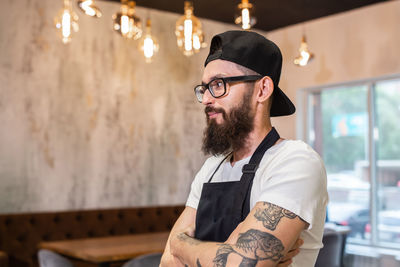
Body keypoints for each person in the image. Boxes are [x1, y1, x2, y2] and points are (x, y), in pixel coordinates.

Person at [160, 30, 328, 267]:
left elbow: (242, 264)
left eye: (218, 84)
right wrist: (230, 253)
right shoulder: (211, 168)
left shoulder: (295, 162)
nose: (207, 98)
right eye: (204, 88)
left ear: (262, 90)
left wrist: (180, 244)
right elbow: (167, 263)